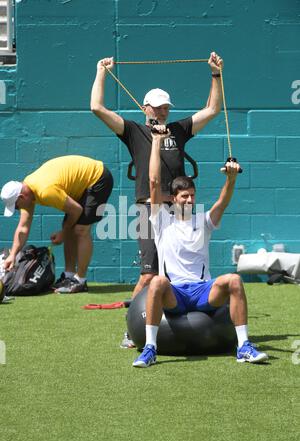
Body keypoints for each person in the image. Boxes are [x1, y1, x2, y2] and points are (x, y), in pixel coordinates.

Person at [91, 52, 224, 346]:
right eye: (158, 108)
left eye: (166, 108)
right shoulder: (134, 131)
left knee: (173, 274)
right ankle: (133, 329)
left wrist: (215, 74)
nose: (163, 113)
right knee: (149, 273)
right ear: (145, 107)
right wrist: (101, 72)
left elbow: (213, 109)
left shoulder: (178, 130)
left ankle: (171, 319)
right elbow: (96, 107)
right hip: (149, 211)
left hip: (179, 211)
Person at [133, 125, 269, 367]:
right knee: (156, 281)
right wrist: (155, 141)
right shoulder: (162, 220)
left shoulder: (203, 221)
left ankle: (244, 346)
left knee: (234, 280)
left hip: (203, 290)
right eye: (184, 196)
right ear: (174, 199)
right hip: (175, 293)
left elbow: (222, 202)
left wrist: (231, 178)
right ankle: (150, 348)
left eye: (192, 196)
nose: (189, 200)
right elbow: (154, 182)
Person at [0, 155, 113, 293]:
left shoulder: (45, 191)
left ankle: (80, 281)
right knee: (69, 226)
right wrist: (13, 255)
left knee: (80, 229)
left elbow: (76, 210)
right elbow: (23, 228)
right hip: (81, 184)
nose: (18, 209)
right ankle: (69, 276)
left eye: (16, 206)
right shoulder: (27, 191)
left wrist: (63, 233)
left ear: (21, 197)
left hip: (98, 177)